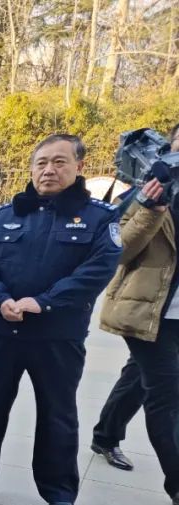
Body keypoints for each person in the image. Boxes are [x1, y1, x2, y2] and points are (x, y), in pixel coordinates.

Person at [0, 134, 121, 505]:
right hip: (2, 332)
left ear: (78, 168)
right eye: (41, 163)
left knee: (58, 414)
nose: (49, 170)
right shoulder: (6, 214)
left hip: (58, 338)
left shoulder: (98, 218)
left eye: (59, 162)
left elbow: (97, 270)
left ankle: (59, 491)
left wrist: (44, 301)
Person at [91, 122, 179, 484]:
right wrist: (151, 208)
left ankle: (105, 435)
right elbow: (119, 250)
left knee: (137, 377)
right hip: (146, 305)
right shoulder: (147, 192)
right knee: (167, 393)